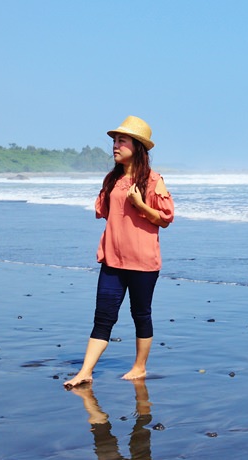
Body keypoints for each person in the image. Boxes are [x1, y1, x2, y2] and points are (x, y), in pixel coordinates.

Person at [63, 116, 174, 388]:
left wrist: (139, 204)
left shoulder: (153, 180)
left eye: (121, 141)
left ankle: (140, 367)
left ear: (137, 146)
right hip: (113, 259)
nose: (115, 145)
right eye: (114, 141)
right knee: (103, 316)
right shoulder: (112, 178)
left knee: (141, 314)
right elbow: (103, 212)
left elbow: (165, 218)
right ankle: (85, 371)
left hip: (143, 262)